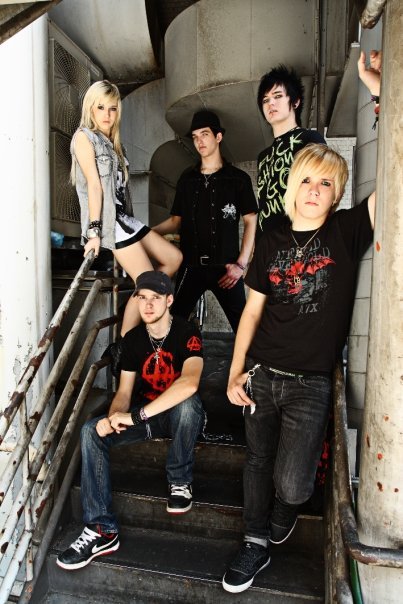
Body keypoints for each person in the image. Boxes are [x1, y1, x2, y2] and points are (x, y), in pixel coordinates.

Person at [222, 143, 375, 593]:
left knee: (291, 484)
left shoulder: (346, 231)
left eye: (326, 183)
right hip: (261, 374)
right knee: (257, 460)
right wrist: (234, 371)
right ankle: (254, 541)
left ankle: (285, 510)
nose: (314, 190)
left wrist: (387, 109)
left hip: (311, 385)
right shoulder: (271, 239)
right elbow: (252, 312)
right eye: (307, 179)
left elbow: (395, 182)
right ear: (293, 186)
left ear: (337, 193)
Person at [56, 271, 205, 571]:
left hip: (178, 418)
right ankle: (101, 529)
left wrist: (136, 415)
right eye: (142, 298)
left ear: (169, 300)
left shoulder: (187, 331)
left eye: (155, 298)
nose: (147, 305)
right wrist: (113, 418)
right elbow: (124, 393)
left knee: (188, 405)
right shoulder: (134, 340)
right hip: (146, 415)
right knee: (90, 431)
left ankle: (179, 481)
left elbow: (189, 383)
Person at [71, 80, 182, 337]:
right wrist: (94, 232)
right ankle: (125, 345)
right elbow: (94, 186)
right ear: (90, 108)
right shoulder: (84, 138)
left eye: (112, 109)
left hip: (126, 219)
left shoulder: (114, 144)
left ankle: (139, 299)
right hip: (110, 224)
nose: (107, 115)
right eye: (101, 107)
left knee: (173, 258)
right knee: (147, 283)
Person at [153, 110, 257, 332]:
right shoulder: (187, 179)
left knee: (244, 330)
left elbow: (251, 221)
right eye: (195, 136)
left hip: (226, 269)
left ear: (218, 137)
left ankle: (248, 359)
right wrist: (147, 233)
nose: (199, 141)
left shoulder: (238, 180)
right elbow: (175, 221)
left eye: (205, 134)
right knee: (172, 326)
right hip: (191, 266)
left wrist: (241, 264)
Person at [256, 65, 326, 241]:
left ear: (295, 102)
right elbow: (263, 209)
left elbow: (323, 191)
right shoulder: (263, 157)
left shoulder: (309, 139)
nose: (270, 103)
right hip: (266, 247)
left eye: (278, 96)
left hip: (298, 243)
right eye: (265, 100)